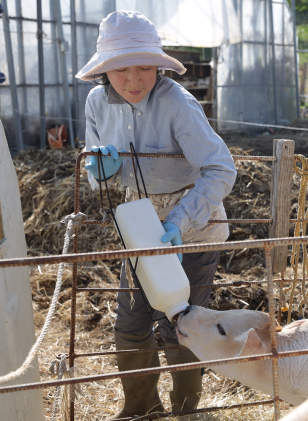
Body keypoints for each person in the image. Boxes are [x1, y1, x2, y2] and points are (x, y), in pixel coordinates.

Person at [75, 11, 237, 419]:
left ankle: (186, 410)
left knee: (179, 323)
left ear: (159, 65)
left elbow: (221, 168)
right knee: (130, 322)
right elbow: (96, 169)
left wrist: (180, 220)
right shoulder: (97, 102)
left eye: (144, 66)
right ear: (104, 70)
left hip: (192, 221)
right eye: (120, 69)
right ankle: (141, 407)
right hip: (140, 220)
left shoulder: (177, 103)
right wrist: (100, 171)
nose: (133, 80)